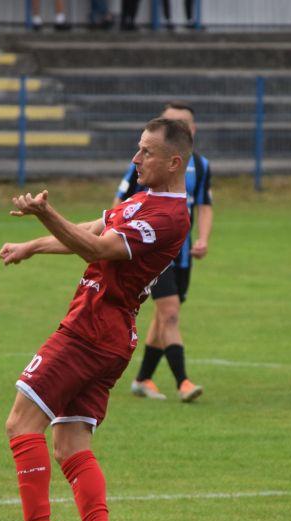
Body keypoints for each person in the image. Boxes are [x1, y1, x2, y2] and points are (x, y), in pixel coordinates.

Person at [0, 117, 192, 521]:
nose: (135, 159)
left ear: (174, 162)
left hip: (91, 329)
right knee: (69, 443)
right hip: (110, 335)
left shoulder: (169, 217)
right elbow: (87, 229)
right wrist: (33, 246)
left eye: (146, 152)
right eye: (137, 149)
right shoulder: (143, 201)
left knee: (21, 424)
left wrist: (45, 215)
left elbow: (99, 247)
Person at [117, 102, 212, 403]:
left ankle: (143, 378)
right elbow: (119, 202)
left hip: (182, 253)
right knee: (169, 313)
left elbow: (205, 205)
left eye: (183, 122)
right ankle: (182, 381)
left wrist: (204, 238)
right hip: (154, 250)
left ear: (192, 130)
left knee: (164, 317)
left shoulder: (201, 165)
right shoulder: (145, 163)